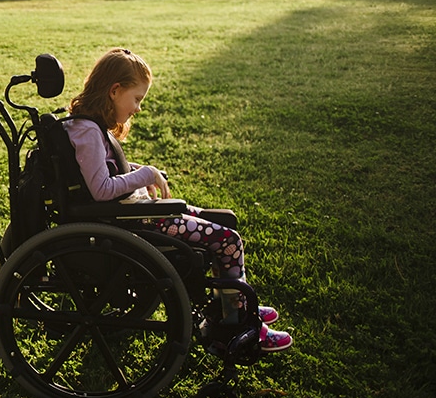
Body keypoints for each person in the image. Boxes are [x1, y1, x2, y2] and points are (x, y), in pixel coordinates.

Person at [63, 47, 292, 353]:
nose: (138, 108)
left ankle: (233, 304)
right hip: (135, 221)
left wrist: (140, 173)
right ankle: (235, 322)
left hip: (135, 213)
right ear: (114, 91)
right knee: (228, 240)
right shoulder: (88, 131)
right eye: (137, 99)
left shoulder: (86, 126)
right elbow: (101, 189)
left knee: (219, 220)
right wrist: (145, 174)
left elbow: (104, 172)